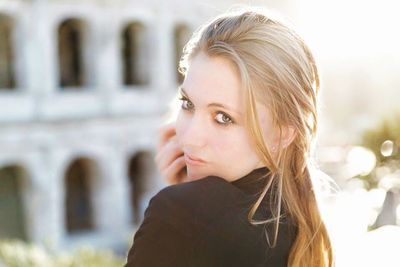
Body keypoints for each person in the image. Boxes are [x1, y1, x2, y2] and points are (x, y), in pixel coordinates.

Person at [125, 5, 335, 267]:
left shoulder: (178, 216)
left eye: (224, 118)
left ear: (283, 134)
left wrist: (183, 203)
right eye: (188, 104)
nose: (189, 138)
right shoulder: (298, 222)